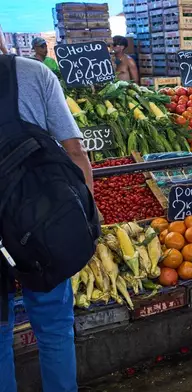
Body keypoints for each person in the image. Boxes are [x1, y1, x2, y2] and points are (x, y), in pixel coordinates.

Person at [0, 56, 94, 391]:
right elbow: (75, 151)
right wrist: (84, 221)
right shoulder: (32, 72)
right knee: (54, 330)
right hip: (39, 224)